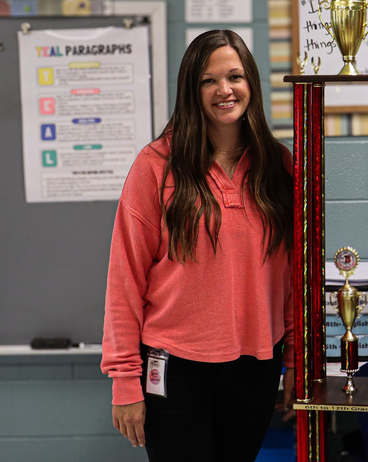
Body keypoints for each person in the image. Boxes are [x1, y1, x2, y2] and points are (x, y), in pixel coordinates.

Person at [101, 30, 295, 461]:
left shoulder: (279, 166)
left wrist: (296, 360)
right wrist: (124, 379)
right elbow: (124, 279)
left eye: (235, 77)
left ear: (251, 84)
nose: (224, 90)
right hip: (174, 369)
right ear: (192, 89)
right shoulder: (155, 166)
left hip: (256, 367)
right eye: (209, 80)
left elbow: (292, 278)